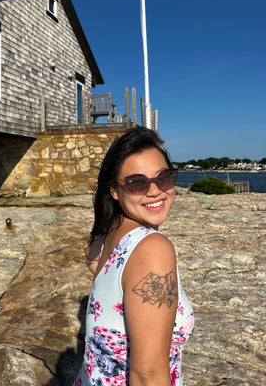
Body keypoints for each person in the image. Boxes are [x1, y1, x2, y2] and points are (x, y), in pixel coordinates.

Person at [74, 127, 194, 386]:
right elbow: (147, 375)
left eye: (164, 177)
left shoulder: (103, 238)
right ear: (114, 191)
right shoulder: (153, 248)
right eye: (136, 183)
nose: (155, 191)